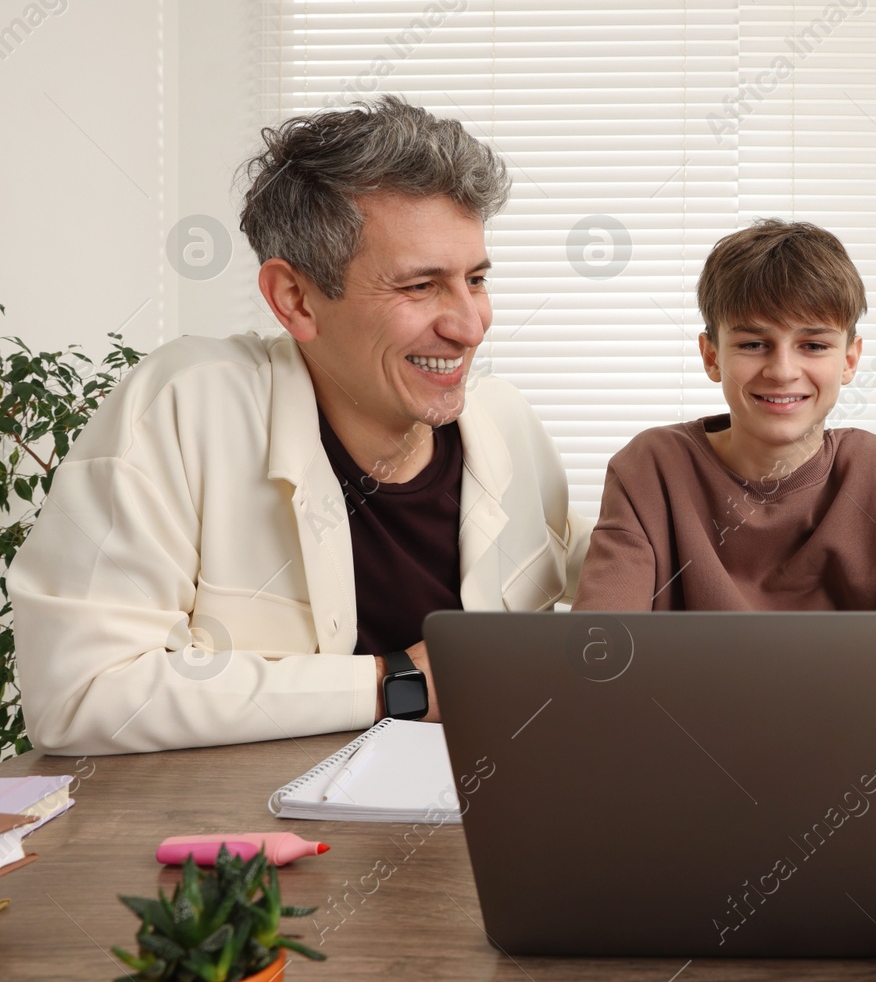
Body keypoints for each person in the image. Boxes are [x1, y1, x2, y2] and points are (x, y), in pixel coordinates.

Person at [10, 96, 589, 754]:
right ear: (296, 299)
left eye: (476, 279)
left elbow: (606, 569)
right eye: (421, 287)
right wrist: (391, 683)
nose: (469, 324)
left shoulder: (505, 421)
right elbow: (81, 693)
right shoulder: (185, 406)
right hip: (252, 838)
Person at [573, 219, 876, 612]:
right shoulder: (650, 469)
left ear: (849, 360)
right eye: (754, 344)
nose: (783, 371)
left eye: (813, 345)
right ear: (711, 356)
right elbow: (599, 642)